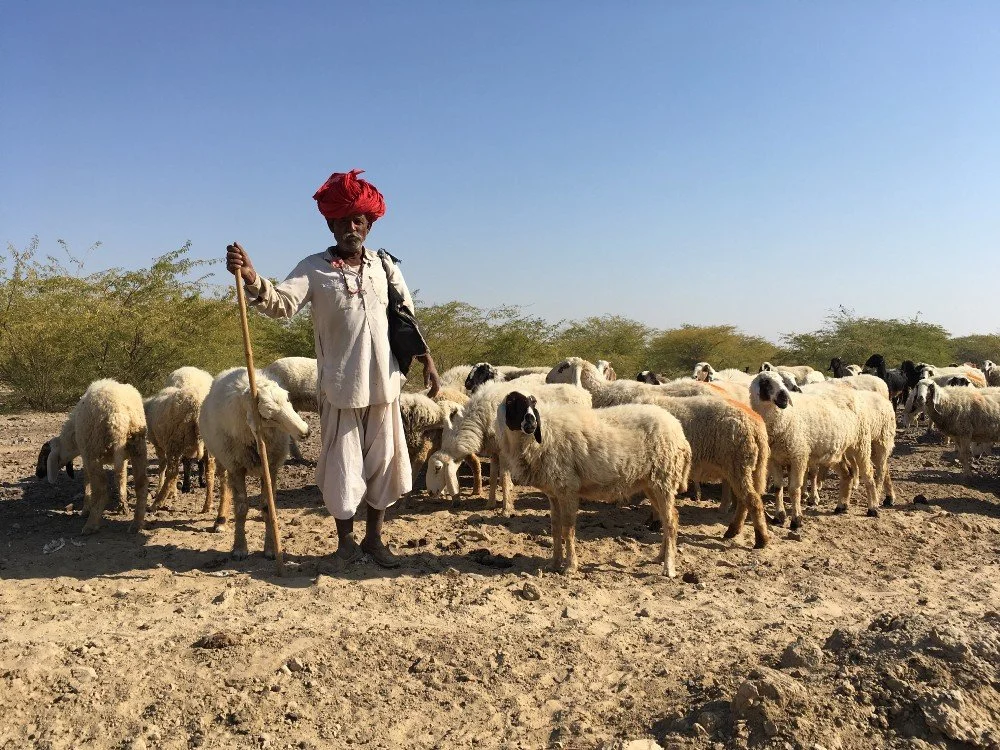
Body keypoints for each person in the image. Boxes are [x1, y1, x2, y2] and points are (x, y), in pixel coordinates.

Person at [225, 169, 439, 569]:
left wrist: (427, 359)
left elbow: (406, 316)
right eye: (343, 221)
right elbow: (281, 304)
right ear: (330, 223)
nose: (350, 228)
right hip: (340, 387)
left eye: (358, 221)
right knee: (342, 467)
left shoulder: (385, 267)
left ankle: (374, 540)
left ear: (369, 225)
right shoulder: (313, 268)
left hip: (385, 383)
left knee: (385, 465)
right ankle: (345, 544)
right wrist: (252, 277)